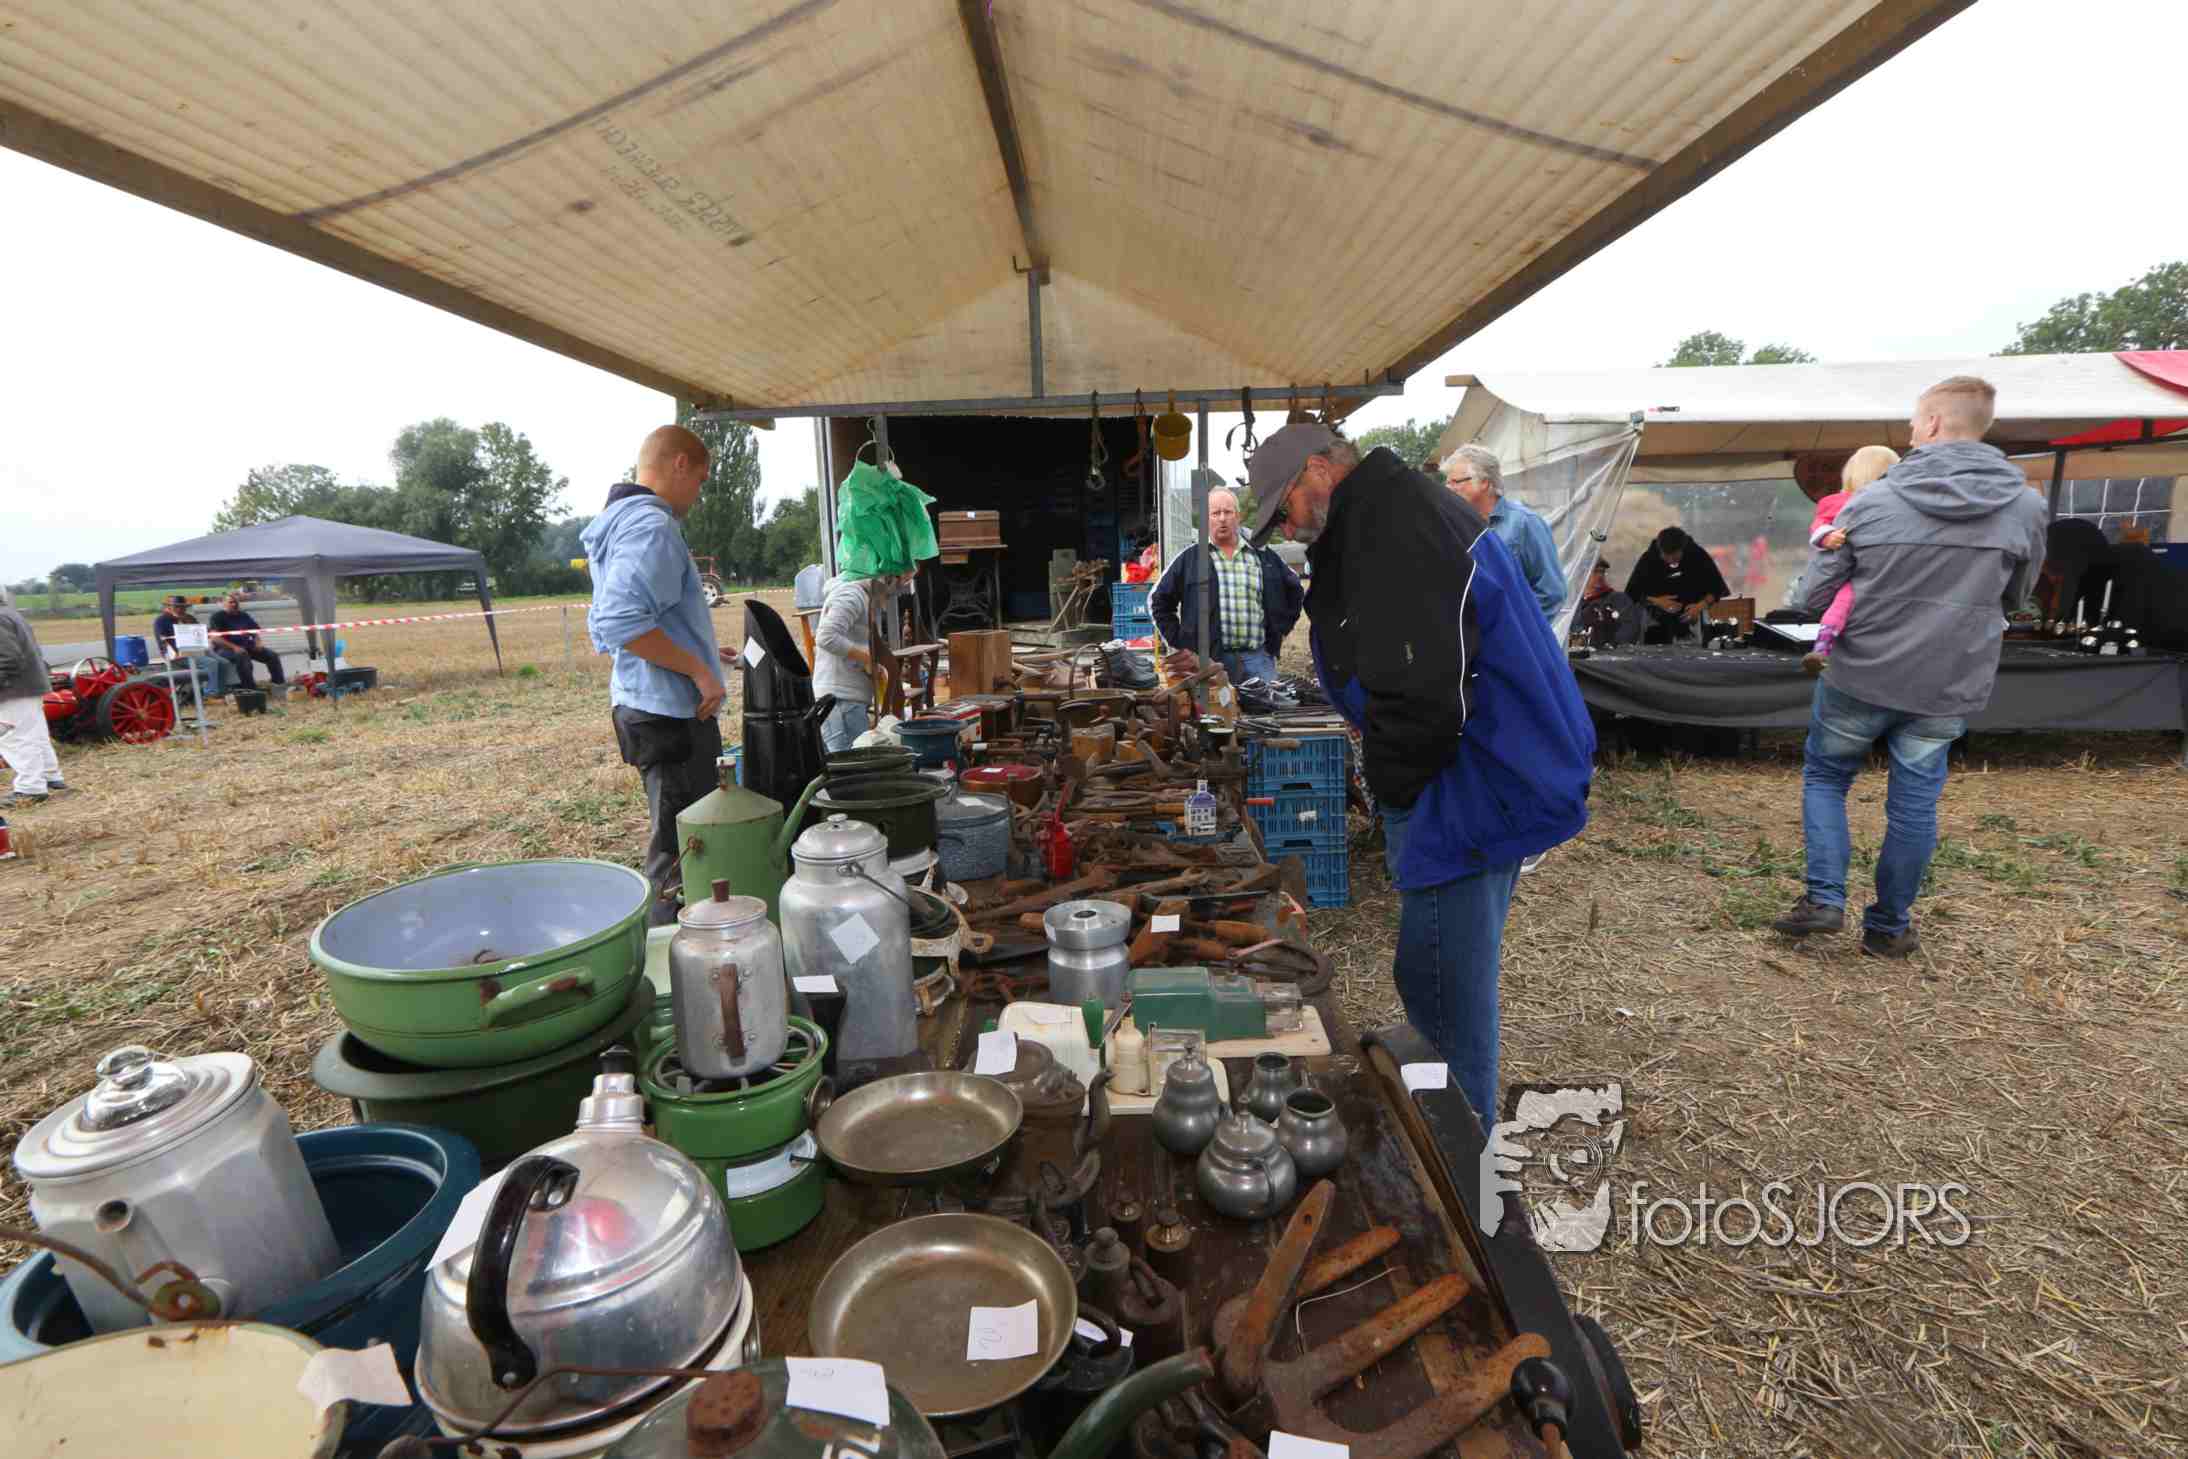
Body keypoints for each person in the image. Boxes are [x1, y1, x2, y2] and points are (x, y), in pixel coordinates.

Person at [1244, 423, 1595, 1126]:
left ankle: (1460, 1161)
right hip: (1473, 776)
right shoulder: (1388, 513)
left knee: (1444, 996)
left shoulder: (1395, 526)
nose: (1285, 525)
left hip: (1468, 788)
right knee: (1443, 978)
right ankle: (1455, 1137)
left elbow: (1428, 695)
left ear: (1319, 470)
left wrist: (1393, 788)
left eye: (1283, 506)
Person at [1773, 376, 2048, 958]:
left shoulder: (1871, 501)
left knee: (1826, 779)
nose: (1911, 431)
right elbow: (2018, 596)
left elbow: (1815, 597)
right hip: (1948, 680)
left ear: (1931, 423)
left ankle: (1824, 900)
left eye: (1913, 422)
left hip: (1861, 673)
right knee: (1915, 804)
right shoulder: (2025, 505)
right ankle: (1889, 928)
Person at [581, 424, 739, 929]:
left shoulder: (619, 522)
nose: (699, 492)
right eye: (701, 479)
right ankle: (667, 953)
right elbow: (618, 622)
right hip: (669, 717)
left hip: (645, 703)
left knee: (679, 842)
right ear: (679, 464)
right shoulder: (652, 527)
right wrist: (697, 669)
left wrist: (702, 651)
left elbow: (636, 621)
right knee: (681, 851)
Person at [1149, 487, 1303, 688]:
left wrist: (1280, 629)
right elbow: (1158, 601)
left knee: (1266, 706)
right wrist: (1180, 642)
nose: (1222, 518)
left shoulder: (1264, 555)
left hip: (1259, 660)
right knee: (1215, 708)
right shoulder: (1189, 559)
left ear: (1238, 517)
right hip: (1207, 663)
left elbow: (1295, 588)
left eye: (1228, 512)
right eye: (1215, 513)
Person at [1800, 446, 1899, 675]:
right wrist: (1826, 536)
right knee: (1842, 603)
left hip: (1859, 580)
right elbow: (1818, 525)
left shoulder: (1844, 503)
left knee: (1841, 604)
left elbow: (1813, 596)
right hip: (1872, 583)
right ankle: (1822, 648)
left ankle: (1822, 647)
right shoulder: (1836, 502)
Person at [1442, 445, 1565, 622]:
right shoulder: (1455, 527)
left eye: (1456, 482)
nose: (1449, 489)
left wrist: (1515, 628)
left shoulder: (1524, 523)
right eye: (1447, 483)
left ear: (1484, 482)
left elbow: (1551, 593)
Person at [811, 567, 905, 752]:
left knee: (853, 764)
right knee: (851, 765)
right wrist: (867, 659)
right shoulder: (851, 595)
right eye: (897, 580)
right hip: (840, 702)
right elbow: (826, 637)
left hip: (847, 701)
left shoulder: (862, 596)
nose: (897, 587)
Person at [0, 591, 70, 805]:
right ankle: (51, 778)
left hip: (13, 689)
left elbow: (8, 659)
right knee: (36, 734)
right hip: (28, 685)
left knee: (14, 737)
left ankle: (30, 789)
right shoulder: (10, 613)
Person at [1624, 527, 1729, 643]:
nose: (1670, 560)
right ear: (1660, 551)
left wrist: (1699, 606)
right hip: (1656, 622)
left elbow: (1716, 589)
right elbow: (1632, 593)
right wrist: (1657, 601)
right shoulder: (1649, 558)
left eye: (1675, 556)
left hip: (1693, 620)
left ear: (1682, 549)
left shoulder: (1697, 555)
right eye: (1666, 556)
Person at [206, 592, 287, 690]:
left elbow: (255, 631)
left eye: (236, 602)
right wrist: (234, 647)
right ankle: (250, 689)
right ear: (224, 604)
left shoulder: (244, 615)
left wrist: (258, 642)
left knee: (272, 655)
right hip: (224, 649)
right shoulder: (217, 617)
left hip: (246, 646)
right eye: (231, 602)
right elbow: (215, 638)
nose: (234, 604)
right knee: (243, 656)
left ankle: (279, 684)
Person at [1572, 557, 1642, 648]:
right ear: (1582, 574)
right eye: (1595, 571)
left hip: (1609, 653)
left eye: (1602, 572)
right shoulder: (1574, 603)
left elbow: (1629, 629)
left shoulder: (1618, 599)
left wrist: (1611, 645)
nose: (1600, 575)